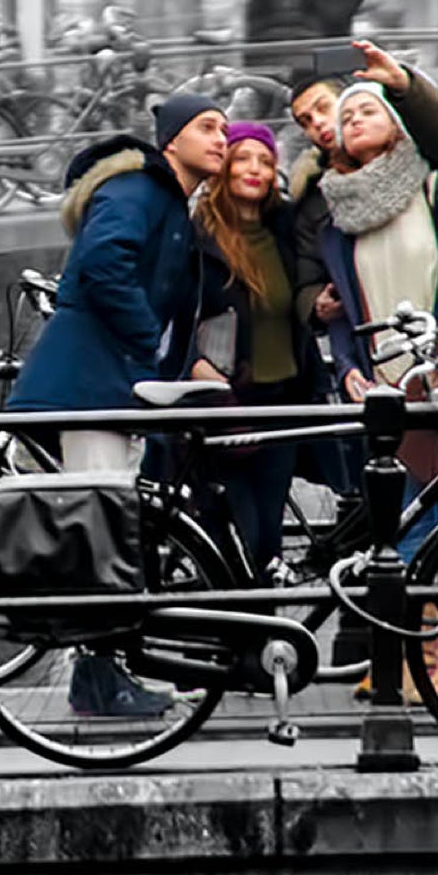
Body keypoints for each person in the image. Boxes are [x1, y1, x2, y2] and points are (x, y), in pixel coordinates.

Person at [6, 91, 230, 719]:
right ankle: (97, 681)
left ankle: (100, 674)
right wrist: (143, 344)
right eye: (207, 128)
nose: (221, 139)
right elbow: (102, 263)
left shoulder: (169, 202)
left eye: (224, 129)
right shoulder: (137, 189)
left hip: (108, 386)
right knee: (100, 528)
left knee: (107, 524)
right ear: (172, 141)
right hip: (91, 385)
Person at [313, 80, 438, 704]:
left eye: (369, 109)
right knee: (402, 526)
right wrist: (346, 365)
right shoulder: (339, 214)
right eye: (347, 117)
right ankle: (418, 653)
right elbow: (343, 307)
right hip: (385, 388)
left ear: (398, 123)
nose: (356, 120)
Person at [284, 40, 438, 495]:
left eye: (324, 108)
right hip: (374, 369)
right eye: (305, 121)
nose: (319, 126)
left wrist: (402, 84)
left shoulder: (424, 172)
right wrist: (315, 304)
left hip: (432, 360)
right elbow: (307, 275)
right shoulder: (318, 195)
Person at [185, 122, 320, 571]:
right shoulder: (199, 236)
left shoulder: (283, 230)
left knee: (269, 545)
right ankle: (227, 637)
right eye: (243, 158)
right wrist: (194, 366)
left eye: (265, 161)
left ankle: (266, 639)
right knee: (235, 538)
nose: (255, 169)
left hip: (282, 406)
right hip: (227, 404)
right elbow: (174, 313)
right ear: (222, 167)